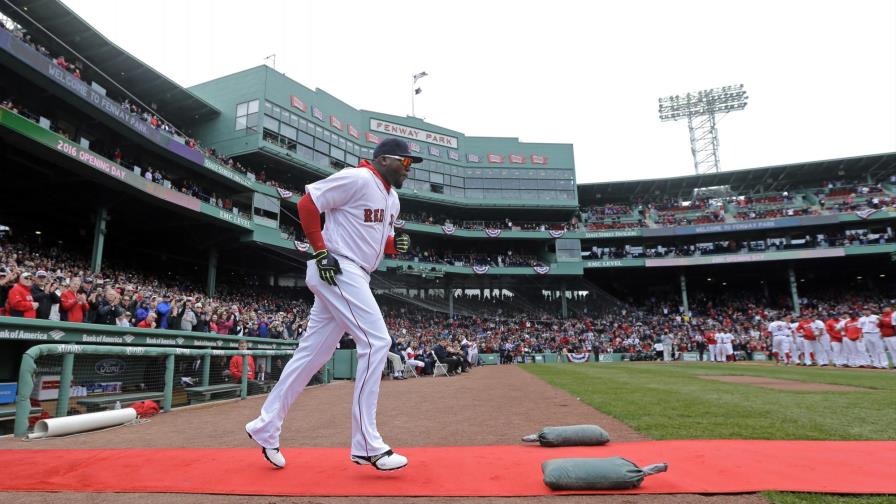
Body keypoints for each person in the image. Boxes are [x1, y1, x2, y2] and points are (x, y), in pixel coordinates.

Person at [245, 137, 418, 471]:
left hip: (356, 272)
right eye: (405, 162)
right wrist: (321, 251)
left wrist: (396, 246)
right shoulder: (358, 178)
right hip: (338, 266)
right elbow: (308, 204)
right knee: (376, 341)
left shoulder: (392, 199)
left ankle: (265, 426)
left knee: (313, 354)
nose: (408, 169)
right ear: (384, 160)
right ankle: (367, 445)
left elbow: (378, 242)